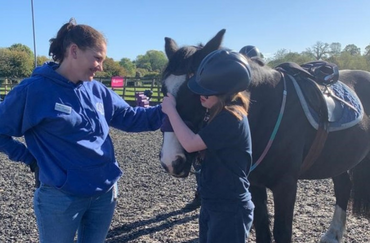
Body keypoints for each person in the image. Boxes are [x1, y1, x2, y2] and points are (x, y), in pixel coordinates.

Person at [0, 18, 164, 243]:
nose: (101, 66)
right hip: (60, 197)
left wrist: (168, 109)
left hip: (104, 193)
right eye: (97, 58)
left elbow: (130, 118)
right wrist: (30, 159)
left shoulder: (96, 89)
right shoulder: (34, 91)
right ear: (74, 51)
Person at [162, 49, 254, 243]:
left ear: (225, 92)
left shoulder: (230, 117)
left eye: (206, 90)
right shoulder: (215, 113)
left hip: (229, 207)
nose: (199, 94)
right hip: (214, 202)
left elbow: (190, 143)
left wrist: (171, 111)